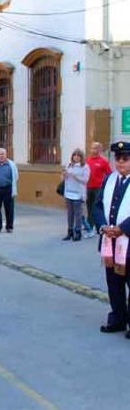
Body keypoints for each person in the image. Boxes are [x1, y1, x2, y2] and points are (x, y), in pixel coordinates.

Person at [93, 141, 130, 339]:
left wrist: (122, 228)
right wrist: (102, 226)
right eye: (118, 158)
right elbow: (97, 206)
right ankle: (117, 319)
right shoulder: (109, 179)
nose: (121, 162)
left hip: (128, 242)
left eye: (125, 158)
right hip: (110, 241)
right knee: (114, 284)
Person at [62, 149, 90, 242]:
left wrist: (75, 176)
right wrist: (64, 175)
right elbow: (63, 178)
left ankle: (78, 232)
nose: (76, 157)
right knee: (70, 213)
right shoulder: (69, 165)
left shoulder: (84, 167)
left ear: (81, 157)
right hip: (69, 192)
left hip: (78, 194)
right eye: (74, 155)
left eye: (78, 155)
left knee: (78, 214)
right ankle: (70, 231)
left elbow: (85, 180)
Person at [87, 142, 111, 235]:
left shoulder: (103, 161)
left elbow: (109, 174)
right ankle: (89, 226)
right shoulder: (87, 160)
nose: (94, 150)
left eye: (96, 148)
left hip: (98, 188)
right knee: (89, 208)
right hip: (88, 187)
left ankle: (98, 227)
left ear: (100, 150)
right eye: (93, 148)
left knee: (96, 208)